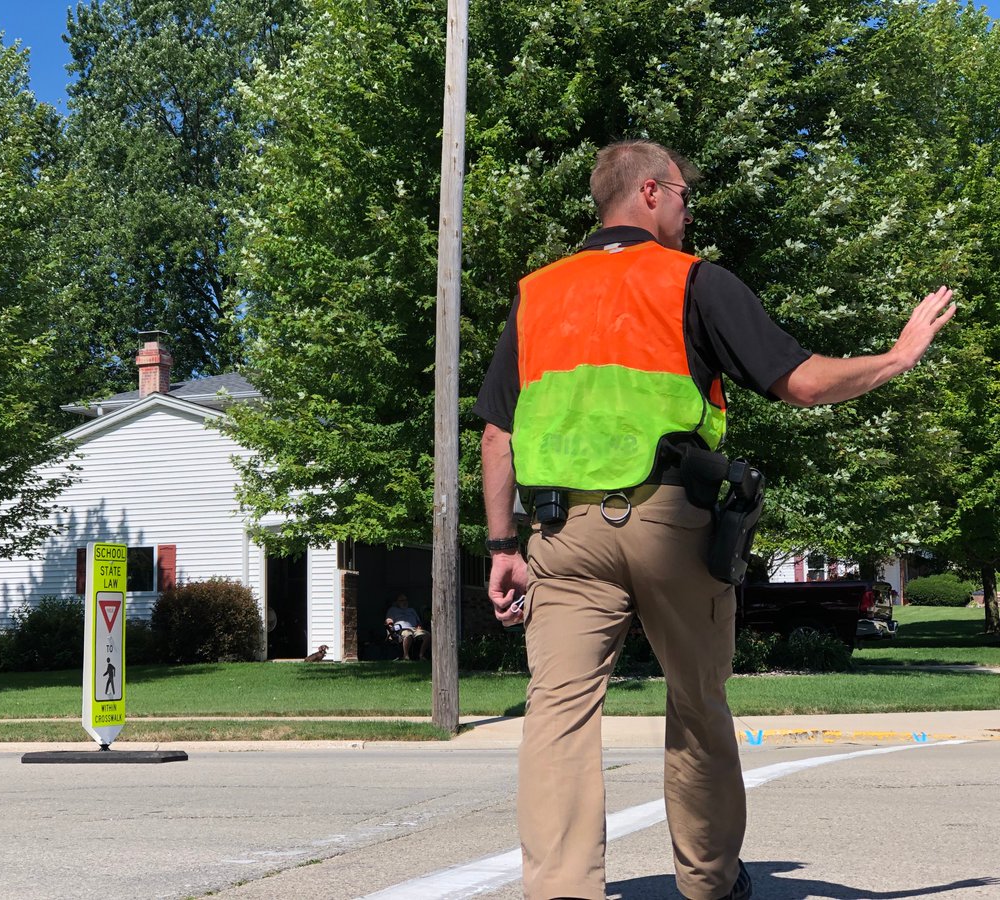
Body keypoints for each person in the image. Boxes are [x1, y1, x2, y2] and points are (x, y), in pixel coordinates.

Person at [474, 139, 955, 900]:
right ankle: (708, 883)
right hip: (670, 521)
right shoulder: (691, 280)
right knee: (697, 700)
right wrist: (895, 358)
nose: (690, 213)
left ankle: (561, 890)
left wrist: (504, 544)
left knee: (557, 715)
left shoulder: (539, 293)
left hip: (560, 533)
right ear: (651, 193)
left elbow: (497, 434)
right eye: (685, 196)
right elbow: (801, 382)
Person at [384, 593, 430, 661]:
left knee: (427, 635)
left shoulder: (411, 610)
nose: (404, 602)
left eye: (406, 600)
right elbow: (388, 621)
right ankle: (406, 656)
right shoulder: (392, 610)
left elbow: (418, 621)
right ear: (397, 602)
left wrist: (419, 626)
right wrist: (391, 629)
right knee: (408, 634)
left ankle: (421, 655)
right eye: (402, 600)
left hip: (415, 629)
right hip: (401, 629)